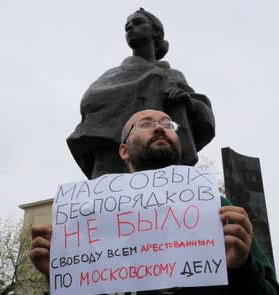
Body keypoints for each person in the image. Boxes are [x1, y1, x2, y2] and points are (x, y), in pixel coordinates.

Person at [31, 110, 279, 295]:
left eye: (167, 124)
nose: (160, 128)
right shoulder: (91, 218)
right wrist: (58, 275)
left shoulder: (218, 208)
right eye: (145, 124)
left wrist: (242, 267)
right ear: (123, 150)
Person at [67, 9, 215, 179]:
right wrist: (149, 83)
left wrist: (187, 103)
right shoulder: (115, 74)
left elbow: (204, 116)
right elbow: (90, 102)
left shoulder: (173, 75)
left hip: (163, 161)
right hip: (113, 162)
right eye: (127, 27)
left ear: (156, 32)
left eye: (137, 23)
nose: (130, 28)